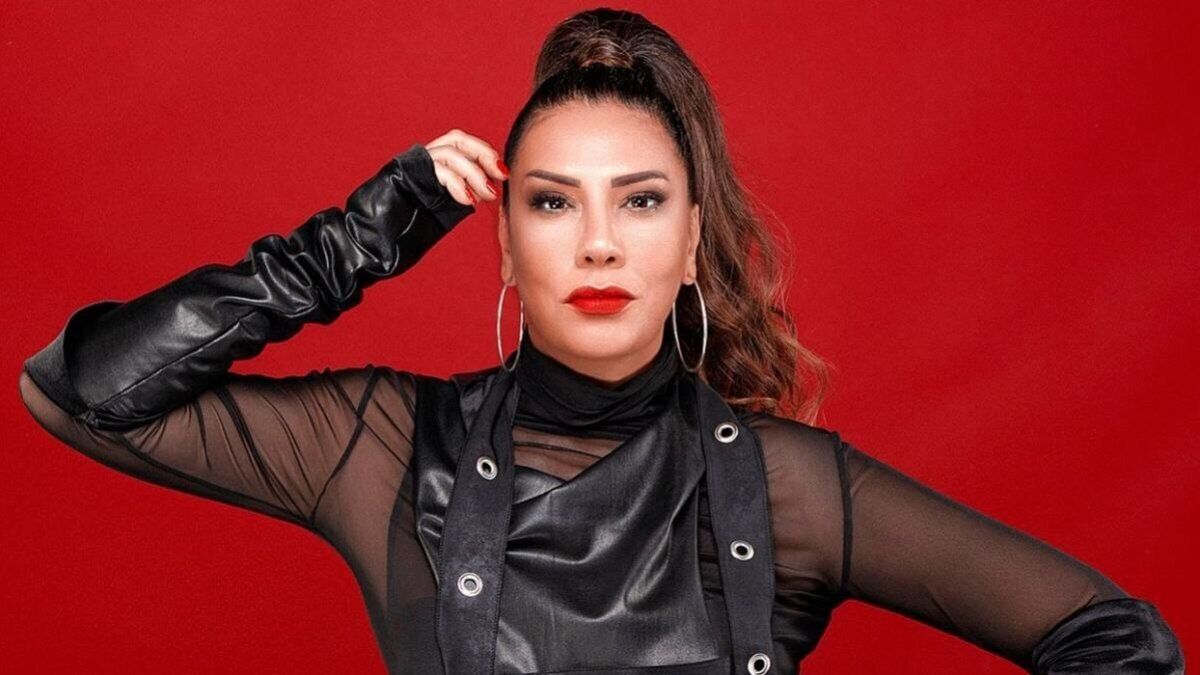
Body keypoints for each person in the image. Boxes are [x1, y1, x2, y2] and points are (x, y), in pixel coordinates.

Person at [17, 7, 1183, 675]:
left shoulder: (783, 490)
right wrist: (357, 239)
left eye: (641, 201)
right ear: (505, 243)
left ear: (691, 242)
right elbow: (80, 392)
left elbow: (1112, 639)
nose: (598, 244)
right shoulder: (384, 449)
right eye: (552, 202)